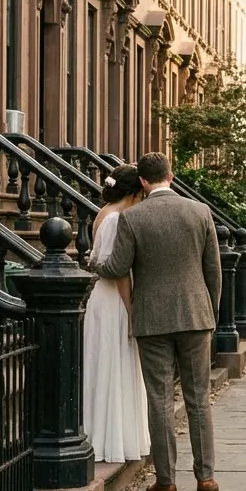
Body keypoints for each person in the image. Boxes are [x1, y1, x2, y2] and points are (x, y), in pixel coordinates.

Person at [93, 152, 222, 491]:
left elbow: (117, 267)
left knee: (160, 399)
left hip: (152, 319)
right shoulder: (200, 212)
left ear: (143, 182)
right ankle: (206, 477)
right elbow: (213, 270)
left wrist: (95, 263)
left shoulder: (132, 218)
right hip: (196, 316)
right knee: (198, 399)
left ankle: (166, 482)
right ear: (172, 176)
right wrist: (211, 312)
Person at [82, 165, 151, 464]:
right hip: (114, 301)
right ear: (135, 191)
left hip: (101, 298)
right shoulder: (116, 219)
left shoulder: (103, 212)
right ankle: (112, 440)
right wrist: (131, 307)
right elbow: (119, 271)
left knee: (106, 364)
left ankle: (106, 433)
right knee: (115, 364)